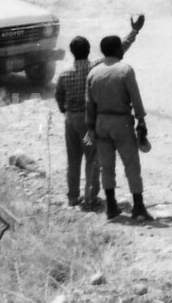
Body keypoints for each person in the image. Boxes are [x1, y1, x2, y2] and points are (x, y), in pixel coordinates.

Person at [55, 16, 144, 209]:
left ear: (72, 52)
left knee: (73, 158)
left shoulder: (64, 74)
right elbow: (119, 51)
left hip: (70, 119)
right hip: (87, 122)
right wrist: (134, 32)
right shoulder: (95, 67)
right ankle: (90, 197)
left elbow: (58, 96)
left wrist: (65, 111)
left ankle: (72, 196)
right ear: (88, 51)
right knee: (93, 157)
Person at [84, 34, 151, 221]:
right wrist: (141, 120)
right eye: (120, 48)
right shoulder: (125, 70)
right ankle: (138, 207)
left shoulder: (93, 73)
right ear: (116, 50)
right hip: (121, 122)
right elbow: (135, 97)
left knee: (106, 167)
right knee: (131, 166)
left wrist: (91, 127)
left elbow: (89, 104)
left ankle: (112, 207)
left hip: (100, 123)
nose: (123, 50)